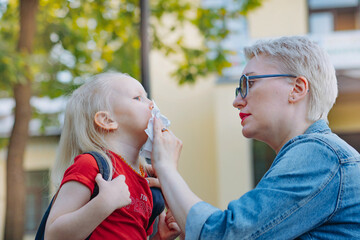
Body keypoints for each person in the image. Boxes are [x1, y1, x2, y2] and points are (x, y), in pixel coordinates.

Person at [151, 36, 360, 239]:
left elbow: (223, 234)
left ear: (297, 89)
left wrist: (166, 168)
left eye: (248, 83)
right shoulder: (318, 157)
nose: (237, 101)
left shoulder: (318, 155)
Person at [45, 72, 181, 240]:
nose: (152, 104)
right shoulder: (91, 164)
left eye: (148, 98)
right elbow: (52, 235)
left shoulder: (145, 176)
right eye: (138, 98)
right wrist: (104, 203)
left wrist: (159, 237)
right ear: (106, 120)